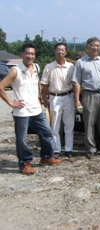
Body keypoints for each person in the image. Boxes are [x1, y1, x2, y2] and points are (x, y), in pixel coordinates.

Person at [0, 43, 60, 174]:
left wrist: (39, 97)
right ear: (21, 54)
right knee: (21, 139)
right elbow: (1, 87)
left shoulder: (37, 67)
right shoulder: (15, 70)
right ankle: (24, 163)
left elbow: (37, 83)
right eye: (27, 53)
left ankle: (46, 157)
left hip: (36, 110)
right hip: (21, 111)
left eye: (32, 53)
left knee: (47, 133)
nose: (30, 56)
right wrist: (11, 103)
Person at [72, 37, 100, 160]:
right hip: (88, 95)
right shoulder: (81, 62)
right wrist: (77, 100)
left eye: (97, 45)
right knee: (89, 123)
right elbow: (77, 82)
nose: (95, 48)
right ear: (87, 46)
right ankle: (90, 149)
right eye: (93, 45)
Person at [41, 42, 75, 158]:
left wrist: (76, 99)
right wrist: (45, 98)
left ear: (66, 52)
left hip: (68, 96)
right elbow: (45, 84)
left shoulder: (71, 66)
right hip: (54, 97)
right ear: (54, 51)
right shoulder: (49, 67)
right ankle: (56, 149)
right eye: (58, 50)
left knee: (69, 124)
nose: (60, 52)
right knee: (54, 125)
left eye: (63, 50)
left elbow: (75, 84)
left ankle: (69, 149)